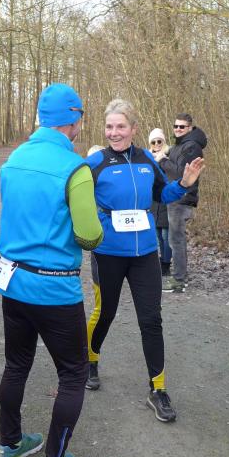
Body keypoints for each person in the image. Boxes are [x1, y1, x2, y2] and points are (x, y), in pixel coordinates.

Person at [0, 83, 103, 457]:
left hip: (13, 283)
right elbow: (89, 236)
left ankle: (9, 445)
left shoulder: (14, 159)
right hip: (55, 289)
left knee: (16, 365)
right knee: (73, 374)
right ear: (73, 120)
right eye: (81, 117)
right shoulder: (76, 168)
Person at [84, 99, 204, 422]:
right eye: (109, 127)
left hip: (145, 254)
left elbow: (162, 194)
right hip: (108, 253)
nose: (114, 132)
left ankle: (158, 389)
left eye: (120, 126)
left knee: (151, 320)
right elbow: (75, 200)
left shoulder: (146, 160)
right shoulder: (95, 163)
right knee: (105, 313)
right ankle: (90, 360)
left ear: (133, 129)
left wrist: (184, 184)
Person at [160, 113, 207, 293]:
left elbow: (181, 174)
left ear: (190, 128)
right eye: (176, 126)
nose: (178, 129)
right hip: (174, 197)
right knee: (175, 239)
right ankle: (181, 277)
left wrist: (163, 161)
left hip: (182, 199)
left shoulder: (191, 147)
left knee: (176, 241)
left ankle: (179, 281)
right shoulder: (180, 145)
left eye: (182, 127)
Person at [148, 128, 172, 276]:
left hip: (166, 199)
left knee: (166, 235)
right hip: (153, 201)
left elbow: (172, 175)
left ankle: (166, 263)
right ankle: (162, 261)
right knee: (158, 235)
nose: (157, 144)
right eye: (154, 142)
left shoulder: (168, 157)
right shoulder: (147, 158)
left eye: (159, 141)